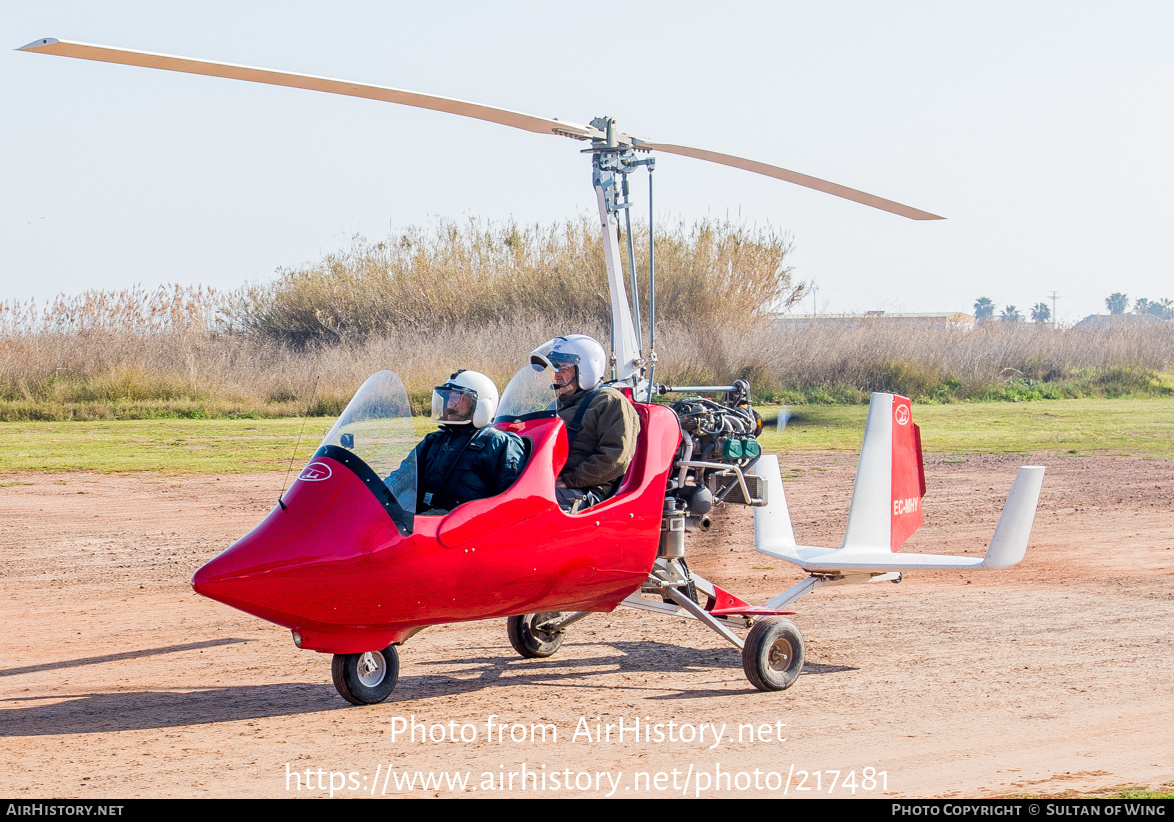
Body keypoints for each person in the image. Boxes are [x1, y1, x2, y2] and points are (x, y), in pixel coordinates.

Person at [387, 370, 526, 515]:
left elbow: (513, 504)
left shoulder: (500, 444)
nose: (450, 404)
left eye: (460, 398)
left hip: (469, 529)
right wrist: (373, 496)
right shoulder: (433, 441)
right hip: (426, 525)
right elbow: (400, 478)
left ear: (481, 404)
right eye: (448, 397)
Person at [530, 335, 640, 513]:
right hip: (549, 481)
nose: (556, 374)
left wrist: (570, 480)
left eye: (563, 367)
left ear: (586, 369)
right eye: (555, 367)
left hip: (586, 491)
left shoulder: (610, 401)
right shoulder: (563, 403)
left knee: (528, 507)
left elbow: (615, 459)